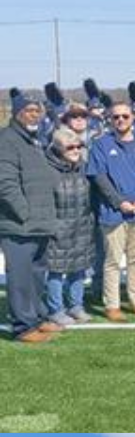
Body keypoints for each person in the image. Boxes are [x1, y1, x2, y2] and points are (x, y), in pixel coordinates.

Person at [87, 99, 135, 322]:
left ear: (133, 118)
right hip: (113, 213)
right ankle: (112, 305)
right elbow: (99, 178)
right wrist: (120, 203)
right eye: (115, 117)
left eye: (125, 116)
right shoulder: (101, 144)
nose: (120, 120)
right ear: (110, 120)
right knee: (112, 261)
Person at [0, 89, 62, 342]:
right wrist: (24, 214)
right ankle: (23, 326)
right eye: (28, 110)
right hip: (19, 225)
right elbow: (5, 183)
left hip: (40, 224)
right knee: (21, 277)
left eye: (37, 110)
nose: (34, 115)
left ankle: (38, 317)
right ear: (17, 113)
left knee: (37, 275)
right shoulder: (7, 140)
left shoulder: (34, 140)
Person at [44, 127, 95, 326]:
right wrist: (52, 227)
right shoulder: (48, 170)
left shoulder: (83, 166)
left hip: (81, 226)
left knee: (78, 268)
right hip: (57, 229)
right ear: (58, 149)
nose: (76, 150)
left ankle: (76, 305)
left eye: (79, 146)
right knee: (56, 270)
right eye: (70, 147)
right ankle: (55, 309)